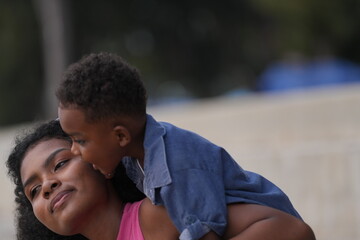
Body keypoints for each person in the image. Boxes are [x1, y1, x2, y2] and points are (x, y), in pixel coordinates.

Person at [56, 52, 303, 239]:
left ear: (120, 136)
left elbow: (206, 234)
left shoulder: (175, 166)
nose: (75, 150)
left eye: (80, 140)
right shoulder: (138, 155)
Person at [6, 120, 316, 240]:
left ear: (99, 162)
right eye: (34, 190)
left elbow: (292, 230)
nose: (47, 185)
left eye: (60, 163)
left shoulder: (158, 216)